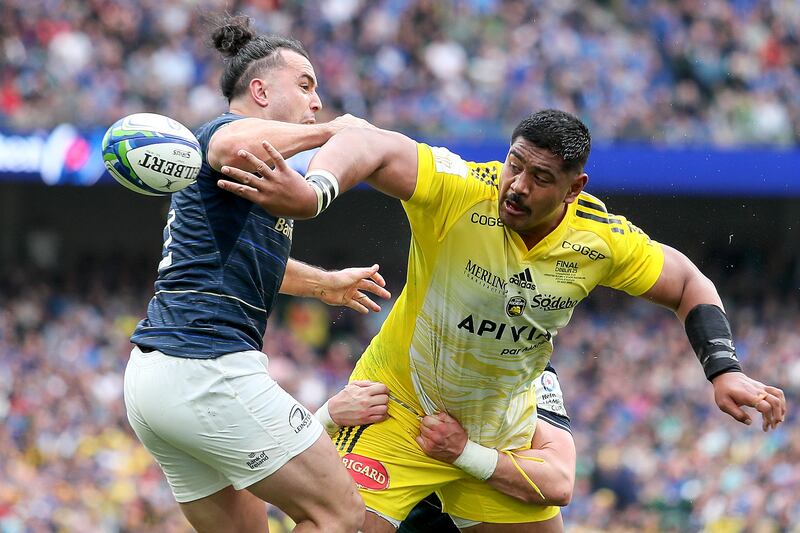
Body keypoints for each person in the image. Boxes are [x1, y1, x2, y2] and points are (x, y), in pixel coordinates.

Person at [218, 108, 787, 532]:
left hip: (499, 432)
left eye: (541, 177)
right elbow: (372, 143)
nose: (517, 186)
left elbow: (689, 282)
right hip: (396, 412)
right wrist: (315, 191)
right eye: (515, 164)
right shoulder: (461, 188)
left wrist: (723, 369)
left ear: (575, 187)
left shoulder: (601, 239)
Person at [123, 15, 391, 533]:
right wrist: (333, 131)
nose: (317, 101)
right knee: (340, 514)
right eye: (306, 85)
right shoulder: (225, 135)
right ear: (261, 91)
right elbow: (228, 145)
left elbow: (250, 260)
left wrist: (326, 284)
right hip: (206, 366)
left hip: (153, 380)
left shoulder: (257, 176)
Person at [322, 365, 575, 532]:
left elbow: (559, 483)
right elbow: (308, 501)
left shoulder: (532, 370)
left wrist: (463, 453)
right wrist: (326, 418)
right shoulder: (395, 361)